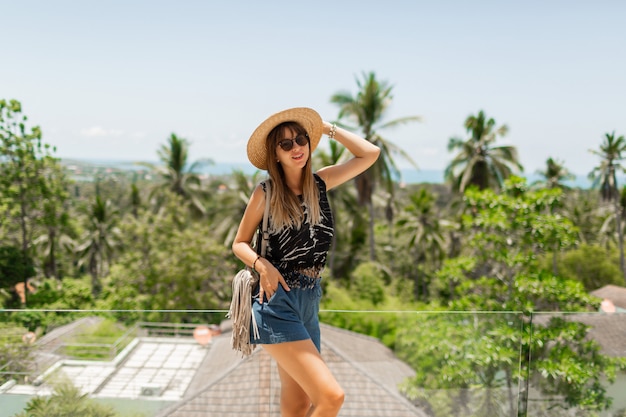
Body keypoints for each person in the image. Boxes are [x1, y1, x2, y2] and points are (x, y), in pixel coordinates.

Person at [232, 107, 380, 417]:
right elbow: (239, 243)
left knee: (299, 403)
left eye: (301, 139)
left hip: (309, 301)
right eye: (285, 144)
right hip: (275, 302)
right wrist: (263, 265)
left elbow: (370, 154)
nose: (296, 148)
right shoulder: (266, 192)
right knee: (331, 398)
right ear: (275, 154)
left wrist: (326, 128)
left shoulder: (321, 183)